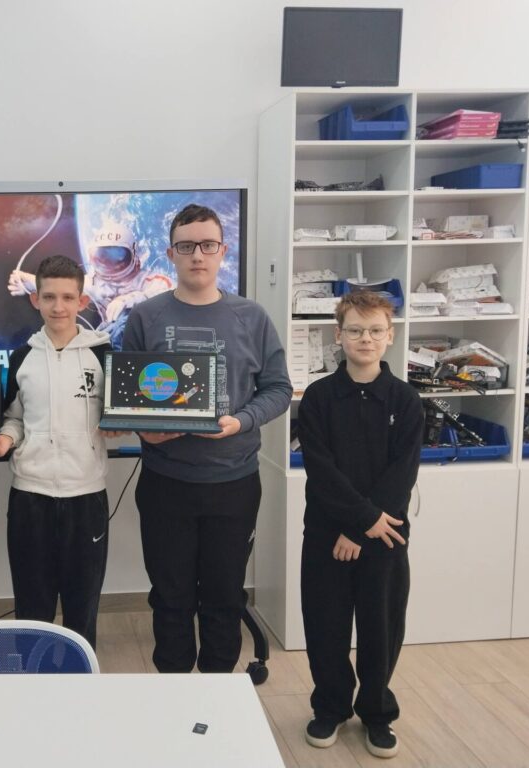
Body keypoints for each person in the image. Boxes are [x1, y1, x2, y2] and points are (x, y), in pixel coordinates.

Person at [121, 203, 292, 673]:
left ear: (223, 250)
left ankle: (218, 692)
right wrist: (145, 431)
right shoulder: (145, 317)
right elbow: (127, 397)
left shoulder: (251, 317)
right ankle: (175, 691)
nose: (197, 254)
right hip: (166, 484)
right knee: (169, 598)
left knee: (224, 597)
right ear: (170, 254)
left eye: (207, 245)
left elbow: (279, 389)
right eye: (186, 246)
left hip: (233, 484)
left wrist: (243, 420)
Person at [297, 291, 423, 759]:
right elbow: (321, 469)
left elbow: (402, 472)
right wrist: (356, 521)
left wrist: (363, 527)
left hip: (384, 536)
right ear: (339, 335)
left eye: (374, 330)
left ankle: (377, 712)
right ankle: (330, 706)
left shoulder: (405, 400)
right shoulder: (318, 397)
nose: (364, 338)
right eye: (354, 330)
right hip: (326, 535)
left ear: (389, 336)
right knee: (325, 626)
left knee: (381, 628)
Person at [0, 255, 113, 648]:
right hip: (30, 498)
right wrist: (6, 439)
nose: (59, 306)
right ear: (35, 300)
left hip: (86, 498)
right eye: (49, 297)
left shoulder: (104, 355)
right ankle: (34, 682)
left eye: (68, 297)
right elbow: (14, 418)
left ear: (82, 301)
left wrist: (118, 424)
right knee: (32, 610)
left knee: (82, 610)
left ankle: (80, 684)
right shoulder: (22, 358)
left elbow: (115, 417)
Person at [8, 222, 173, 346]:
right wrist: (26, 281)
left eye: (117, 256)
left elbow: (167, 293)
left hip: (145, 343)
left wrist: (129, 300)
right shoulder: (94, 283)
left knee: (124, 322)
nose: (108, 264)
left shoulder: (150, 281)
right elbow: (60, 287)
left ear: (134, 253)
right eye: (101, 257)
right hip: (109, 341)